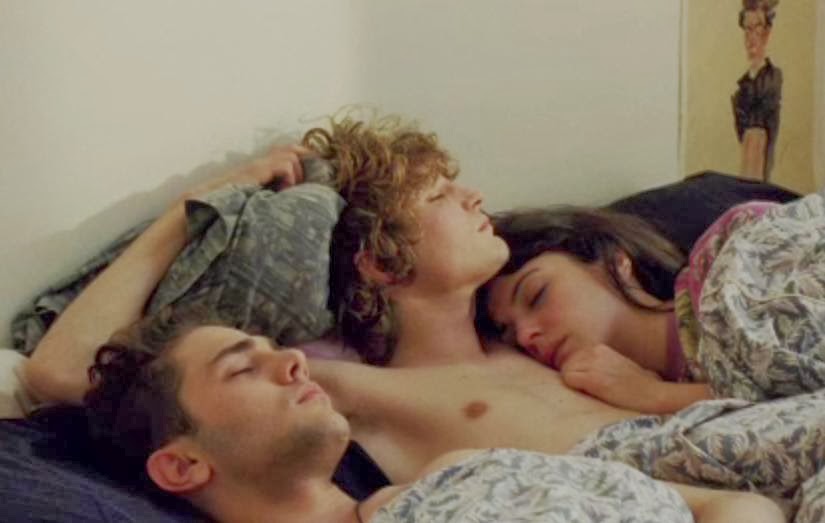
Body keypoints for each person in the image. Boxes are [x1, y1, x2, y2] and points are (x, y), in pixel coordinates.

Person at [22, 116, 825, 508]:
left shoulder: (532, 333)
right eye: (439, 196)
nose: (474, 198)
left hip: (740, 453)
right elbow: (55, 373)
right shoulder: (344, 385)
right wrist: (190, 211)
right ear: (380, 262)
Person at [83, 312, 784, 522]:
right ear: (181, 464)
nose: (293, 360)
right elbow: (50, 374)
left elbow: (735, 505)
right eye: (242, 368)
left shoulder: (462, 470)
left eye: (275, 348)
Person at [482, 193, 825, 414]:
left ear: (613, 259)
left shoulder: (727, 254)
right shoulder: (623, 418)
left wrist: (654, 395)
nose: (525, 335)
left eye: (536, 295)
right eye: (509, 334)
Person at [732, 0, 782, 181]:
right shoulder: (742, 87)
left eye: (756, 28)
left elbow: (756, 143)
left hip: (757, 180)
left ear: (767, 33)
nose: (750, 37)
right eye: (747, 29)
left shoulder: (770, 80)